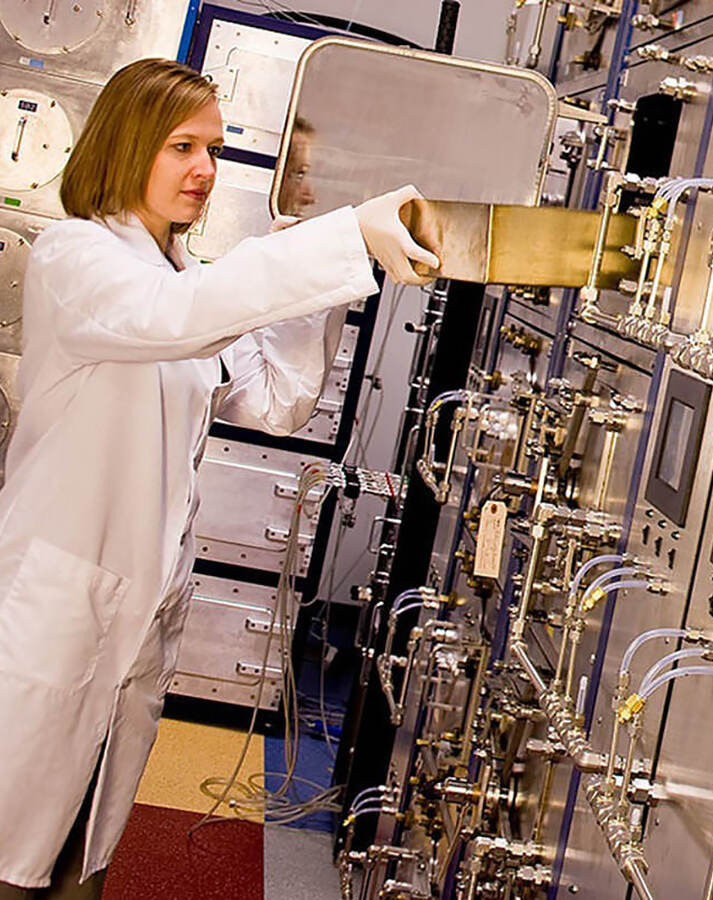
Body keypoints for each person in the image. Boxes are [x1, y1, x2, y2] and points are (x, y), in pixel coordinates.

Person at [0, 58, 440, 897]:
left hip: (132, 618)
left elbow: (275, 400)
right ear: (127, 147)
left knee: (81, 858)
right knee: (12, 850)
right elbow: (171, 323)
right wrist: (338, 239)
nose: (205, 169)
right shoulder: (76, 256)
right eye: (182, 147)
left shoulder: (181, 280)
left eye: (215, 149)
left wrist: (309, 285)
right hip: (57, 607)